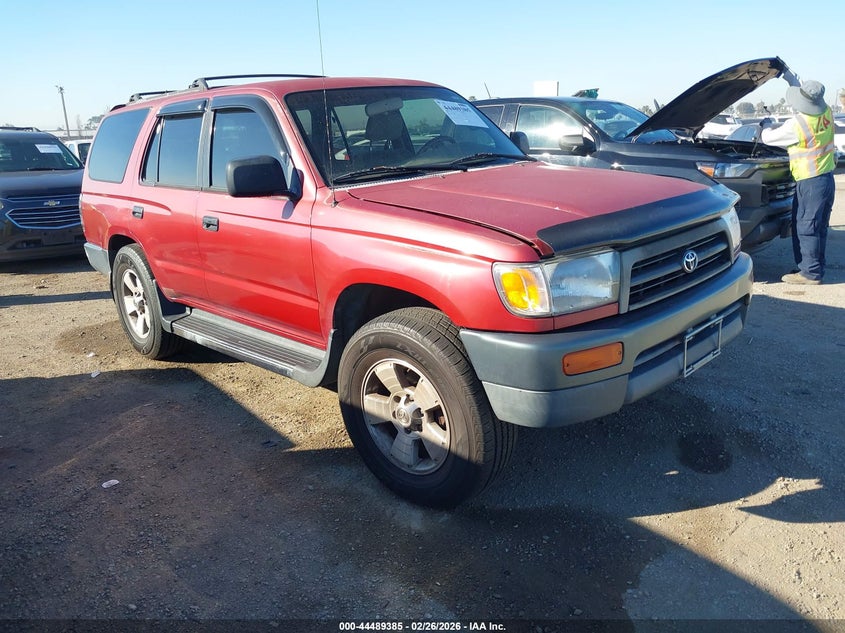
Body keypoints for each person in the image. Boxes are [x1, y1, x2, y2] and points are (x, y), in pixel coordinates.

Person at [761, 80, 836, 285]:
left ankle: (810, 273)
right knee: (819, 225)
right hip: (827, 178)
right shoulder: (827, 112)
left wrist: (766, 125)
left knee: (806, 225)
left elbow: (768, 138)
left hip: (810, 180)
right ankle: (814, 266)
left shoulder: (797, 124)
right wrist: (788, 76)